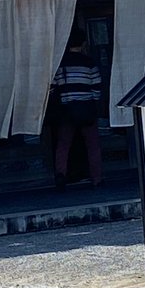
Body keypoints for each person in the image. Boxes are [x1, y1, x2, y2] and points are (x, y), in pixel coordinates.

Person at [51, 27, 103, 189]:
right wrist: (92, 101)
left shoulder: (61, 64)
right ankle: (97, 178)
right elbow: (97, 87)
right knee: (93, 145)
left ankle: (61, 174)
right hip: (87, 108)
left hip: (67, 110)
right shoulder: (89, 63)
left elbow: (53, 87)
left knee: (63, 145)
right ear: (83, 43)